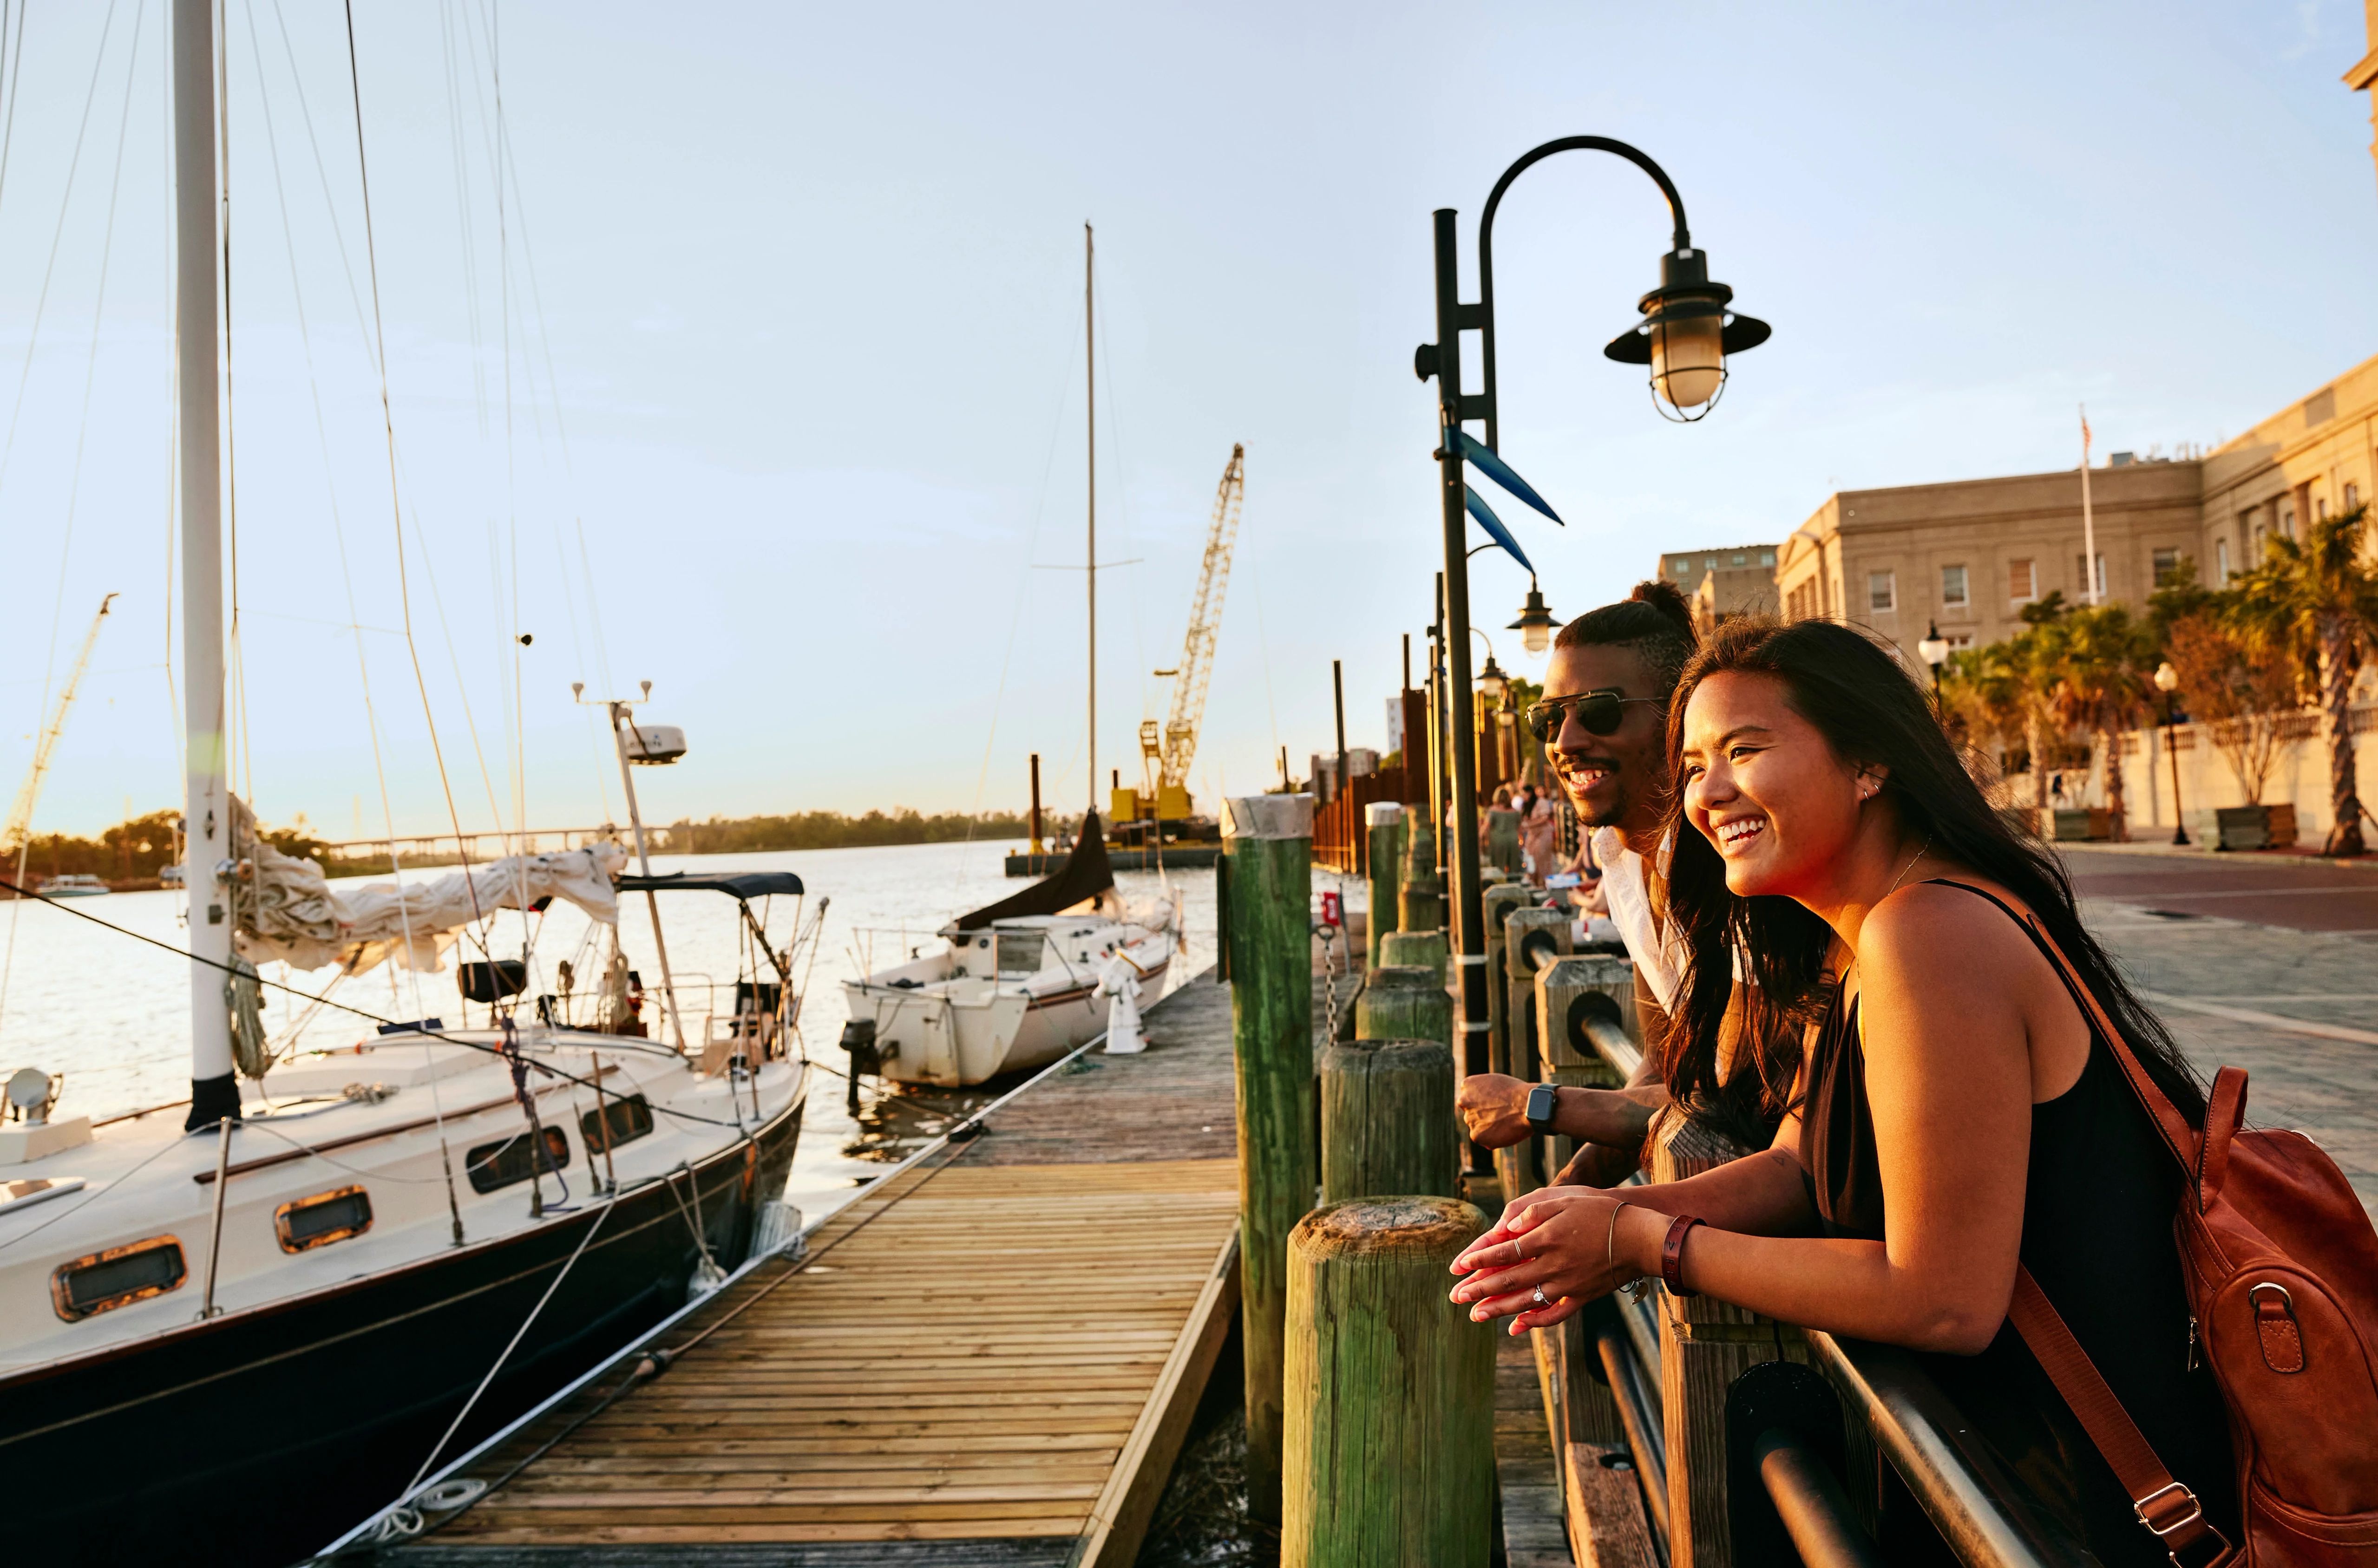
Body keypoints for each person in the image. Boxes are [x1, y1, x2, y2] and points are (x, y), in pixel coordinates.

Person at [1448, 617, 2234, 1567]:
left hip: (2090, 1518)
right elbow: (1792, 1163)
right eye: (1693, 761)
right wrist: (1608, 1214)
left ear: (1868, 762)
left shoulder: (1930, 934)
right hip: (1997, 1477)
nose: (1709, 791)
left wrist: (1646, 1240)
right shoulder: (1862, 942)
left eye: (1744, 750)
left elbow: (1943, 1296)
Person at [1455, 581, 1722, 1185]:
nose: (1566, 742)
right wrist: (1564, 1194)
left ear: (1680, 711)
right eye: (1549, 718)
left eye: (1598, 711)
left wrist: (1539, 1105)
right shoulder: (1621, 858)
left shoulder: (1728, 865)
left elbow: (1733, 1104)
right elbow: (1664, 1069)